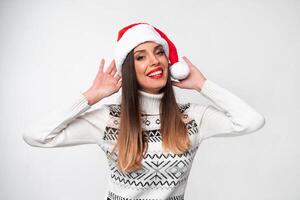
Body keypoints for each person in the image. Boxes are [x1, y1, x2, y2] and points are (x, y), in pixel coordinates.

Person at [22, 22, 266, 200]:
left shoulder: (192, 118)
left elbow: (251, 121)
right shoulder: (109, 120)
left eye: (159, 52)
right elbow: (36, 135)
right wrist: (91, 96)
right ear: (129, 69)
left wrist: (204, 85)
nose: (154, 61)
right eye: (141, 57)